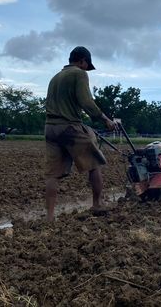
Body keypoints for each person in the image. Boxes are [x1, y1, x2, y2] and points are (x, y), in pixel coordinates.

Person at [44, 46, 117, 222]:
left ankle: (49, 217)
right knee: (94, 163)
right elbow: (86, 101)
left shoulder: (55, 77)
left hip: (50, 128)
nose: (86, 68)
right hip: (69, 127)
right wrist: (105, 119)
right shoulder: (79, 74)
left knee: (52, 175)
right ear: (82, 60)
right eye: (86, 64)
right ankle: (97, 204)